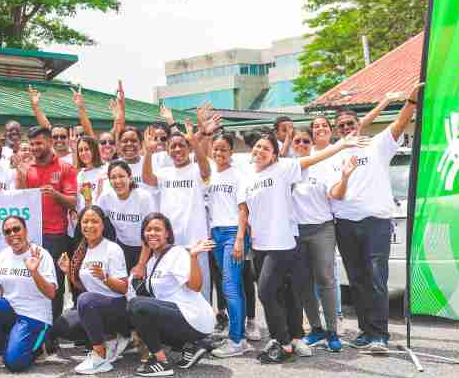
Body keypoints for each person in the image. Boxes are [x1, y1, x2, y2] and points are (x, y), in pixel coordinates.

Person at [237, 131, 367, 363]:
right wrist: (241, 238)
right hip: (259, 245)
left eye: (267, 148)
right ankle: (285, 339)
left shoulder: (283, 169)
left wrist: (340, 145)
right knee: (276, 292)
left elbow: (312, 159)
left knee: (265, 291)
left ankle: (285, 343)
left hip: (283, 243)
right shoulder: (246, 177)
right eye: (258, 147)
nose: (260, 151)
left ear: (275, 155)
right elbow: (244, 211)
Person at [329, 86, 420, 353]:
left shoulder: (377, 143)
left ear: (359, 125)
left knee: (376, 278)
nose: (346, 128)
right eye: (341, 125)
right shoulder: (335, 152)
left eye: (350, 123)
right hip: (344, 223)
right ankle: (365, 331)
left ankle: (380, 335)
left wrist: (412, 100)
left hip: (375, 223)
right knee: (356, 280)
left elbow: (401, 121)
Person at [128, 213, 216, 378]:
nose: (152, 233)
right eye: (148, 230)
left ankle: (162, 362)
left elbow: (195, 286)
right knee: (136, 308)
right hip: (179, 317)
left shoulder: (177, 253)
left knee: (137, 306)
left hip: (194, 317)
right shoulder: (153, 260)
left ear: (167, 233)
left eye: (157, 229)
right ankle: (191, 346)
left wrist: (193, 256)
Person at [15, 126, 76, 351]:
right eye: (32, 143)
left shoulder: (65, 167)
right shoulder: (27, 168)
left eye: (39, 143)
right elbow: (19, 199)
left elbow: (73, 202)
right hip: (32, 236)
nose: (35, 147)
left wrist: (55, 193)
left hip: (55, 235)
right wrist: (20, 174)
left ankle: (52, 334)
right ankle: (34, 329)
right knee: (31, 282)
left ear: (50, 142)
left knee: (55, 287)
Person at [0, 215, 57, 372]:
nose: (12, 234)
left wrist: (34, 272)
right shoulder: (4, 255)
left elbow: (51, 293)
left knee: (15, 364)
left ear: (25, 230)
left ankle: (40, 347)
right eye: (7, 232)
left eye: (16, 229)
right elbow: (2, 289)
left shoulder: (41, 254)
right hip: (12, 310)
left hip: (34, 316)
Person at [54, 206, 132, 375]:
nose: (90, 225)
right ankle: (109, 339)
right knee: (62, 324)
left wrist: (105, 278)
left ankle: (100, 356)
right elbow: (86, 288)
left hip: (118, 306)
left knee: (85, 300)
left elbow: (123, 288)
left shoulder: (112, 249)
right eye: (85, 221)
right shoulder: (81, 250)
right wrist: (68, 271)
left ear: (103, 225)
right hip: (96, 306)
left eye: (95, 221)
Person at [141, 122, 213, 301]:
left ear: (188, 148)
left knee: (200, 289)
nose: (177, 149)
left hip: (195, 242)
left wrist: (195, 142)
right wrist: (148, 152)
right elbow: (148, 179)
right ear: (167, 150)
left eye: (182, 145)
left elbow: (206, 171)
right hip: (171, 244)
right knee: (174, 290)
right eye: (173, 146)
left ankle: (204, 328)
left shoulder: (196, 169)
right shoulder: (164, 173)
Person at [289, 127, 343, 353]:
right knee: (303, 284)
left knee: (326, 280)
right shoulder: (286, 170)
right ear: (292, 145)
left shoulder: (322, 167)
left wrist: (346, 177)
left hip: (322, 229)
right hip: (296, 233)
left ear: (311, 144)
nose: (301, 144)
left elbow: (335, 192)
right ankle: (316, 328)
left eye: (305, 141)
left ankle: (332, 331)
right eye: (297, 141)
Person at [204, 132, 251, 358]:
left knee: (230, 287)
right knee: (232, 286)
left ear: (231, 151)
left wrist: (240, 238)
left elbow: (243, 209)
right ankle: (238, 333)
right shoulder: (210, 175)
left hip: (233, 232)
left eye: (224, 149)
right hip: (216, 233)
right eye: (216, 149)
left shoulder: (238, 175)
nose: (219, 153)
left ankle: (236, 340)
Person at [96, 160, 156, 272]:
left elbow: (150, 233)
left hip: (146, 247)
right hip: (122, 246)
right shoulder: (106, 197)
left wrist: (141, 265)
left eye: (121, 176)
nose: (117, 181)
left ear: (130, 178)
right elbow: (94, 217)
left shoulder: (144, 198)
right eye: (113, 177)